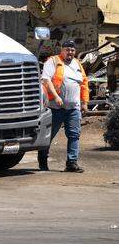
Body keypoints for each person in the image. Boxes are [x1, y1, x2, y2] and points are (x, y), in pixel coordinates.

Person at [38, 39, 88, 172]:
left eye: (72, 50)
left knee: (74, 135)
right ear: (62, 50)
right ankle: (42, 160)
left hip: (73, 108)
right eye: (67, 50)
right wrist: (55, 96)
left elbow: (83, 83)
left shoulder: (77, 63)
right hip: (55, 107)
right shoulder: (53, 61)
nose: (70, 52)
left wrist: (85, 102)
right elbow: (46, 80)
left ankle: (71, 163)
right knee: (49, 135)